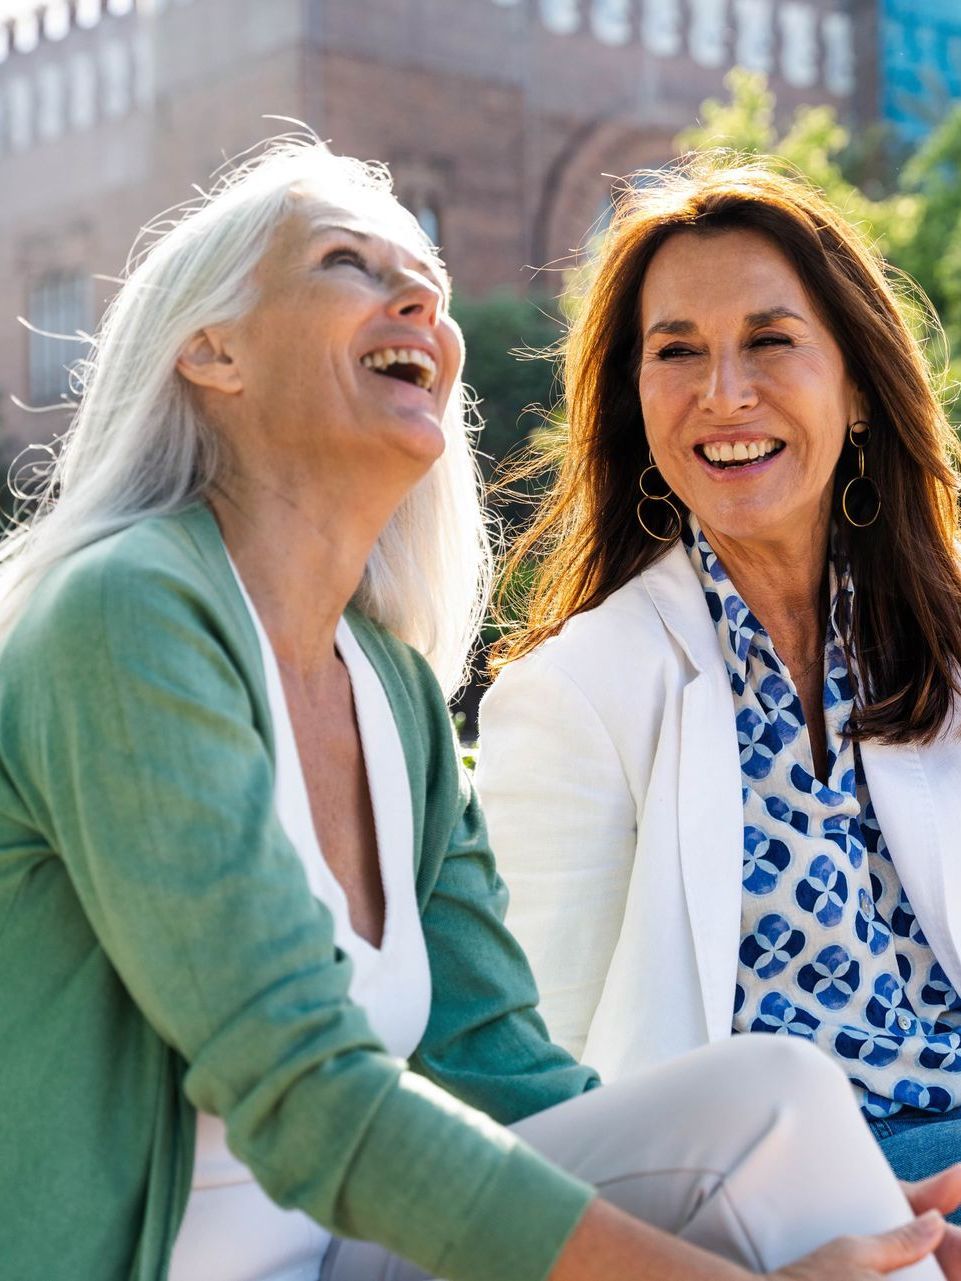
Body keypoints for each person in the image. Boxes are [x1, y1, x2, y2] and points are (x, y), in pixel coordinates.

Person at [1, 136, 959, 1281]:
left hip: (347, 1260)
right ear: (212, 351)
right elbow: (306, 1094)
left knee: (773, 1103)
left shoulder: (392, 691)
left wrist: (818, 1204)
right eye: (349, 264)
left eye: (430, 280)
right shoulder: (123, 615)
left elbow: (514, 1078)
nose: (421, 297)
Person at [476, 154, 961, 1200]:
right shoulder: (574, 695)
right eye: (676, 352)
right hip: (782, 1210)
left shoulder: (939, 650)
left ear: (861, 391)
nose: (722, 393)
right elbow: (527, 1089)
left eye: (769, 341)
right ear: (636, 403)